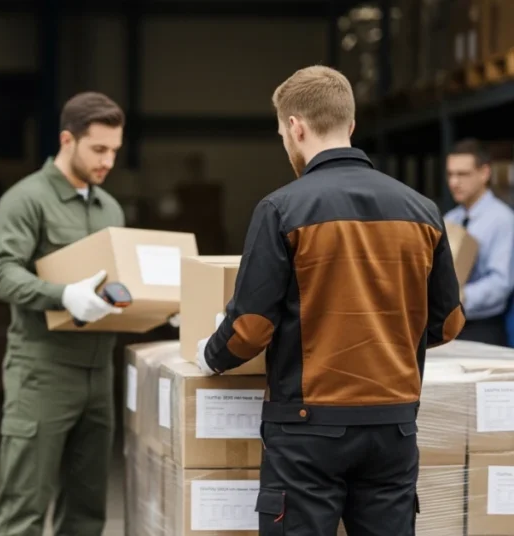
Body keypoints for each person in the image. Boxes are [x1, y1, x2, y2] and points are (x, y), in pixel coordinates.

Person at [196, 66, 465, 535]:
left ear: (295, 127)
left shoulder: (281, 209)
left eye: (282, 134)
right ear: (351, 125)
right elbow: (448, 324)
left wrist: (210, 355)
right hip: (393, 429)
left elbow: (251, 328)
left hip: (307, 433)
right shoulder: (422, 211)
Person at [0, 91, 127, 536]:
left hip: (99, 374)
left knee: (87, 513)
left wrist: (164, 303)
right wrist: (62, 295)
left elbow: (118, 281)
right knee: (24, 509)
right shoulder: (26, 199)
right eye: (98, 149)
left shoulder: (109, 208)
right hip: (43, 371)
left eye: (114, 151)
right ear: (68, 140)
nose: (108, 161)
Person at [443, 138, 514, 346]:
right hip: (449, 324)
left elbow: (501, 283)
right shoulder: (450, 218)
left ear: (484, 173)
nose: (454, 182)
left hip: (483, 329)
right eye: (450, 174)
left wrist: (459, 297)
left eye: (462, 174)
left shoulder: (503, 220)